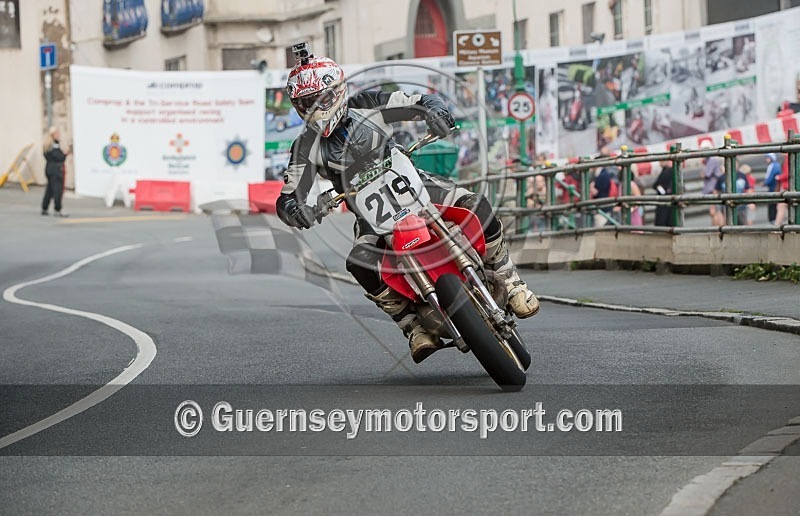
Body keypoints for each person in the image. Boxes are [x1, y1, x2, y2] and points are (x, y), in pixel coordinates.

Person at [274, 43, 539, 363]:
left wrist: (436, 112)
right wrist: (294, 208)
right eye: (306, 104)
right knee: (359, 263)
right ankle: (412, 326)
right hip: (368, 213)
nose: (315, 110)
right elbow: (291, 191)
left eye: (321, 100)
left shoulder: (369, 103)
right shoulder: (304, 146)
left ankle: (511, 281)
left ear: (339, 91)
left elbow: (417, 101)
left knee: (475, 205)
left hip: (417, 184)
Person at [41, 126, 69, 217]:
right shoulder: (54, 146)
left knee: (49, 189)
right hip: (56, 170)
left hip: (49, 169)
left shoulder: (48, 145)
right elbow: (59, 157)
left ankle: (44, 207)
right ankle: (58, 209)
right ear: (53, 135)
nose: (59, 135)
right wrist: (65, 154)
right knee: (57, 190)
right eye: (57, 133)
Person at [700, 140, 724, 226]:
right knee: (715, 211)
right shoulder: (710, 160)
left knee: (715, 211)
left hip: (713, 188)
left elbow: (706, 174)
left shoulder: (712, 160)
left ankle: (718, 231)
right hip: (713, 188)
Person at [653, 160, 674, 227]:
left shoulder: (666, 171)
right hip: (669, 199)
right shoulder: (671, 171)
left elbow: (655, 184)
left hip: (663, 200)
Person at [763, 153, 781, 224]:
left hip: (773, 188)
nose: (766, 160)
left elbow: (769, 178)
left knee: (772, 204)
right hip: (775, 187)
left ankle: (773, 220)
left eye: (767, 158)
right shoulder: (777, 165)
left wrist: (765, 183)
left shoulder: (772, 165)